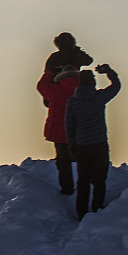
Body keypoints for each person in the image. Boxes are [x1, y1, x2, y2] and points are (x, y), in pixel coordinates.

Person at [65, 64, 121, 220]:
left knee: (82, 180)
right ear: (93, 82)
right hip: (99, 144)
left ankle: (81, 212)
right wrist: (109, 71)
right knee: (99, 179)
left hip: (82, 145)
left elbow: (69, 123)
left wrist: (71, 143)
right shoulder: (99, 97)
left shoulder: (73, 102)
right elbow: (116, 86)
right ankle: (97, 208)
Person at [37, 65, 80, 194]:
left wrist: (49, 72)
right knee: (82, 160)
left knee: (63, 161)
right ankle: (84, 188)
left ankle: (67, 189)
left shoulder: (56, 90)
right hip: (79, 133)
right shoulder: (82, 90)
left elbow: (41, 86)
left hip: (59, 132)